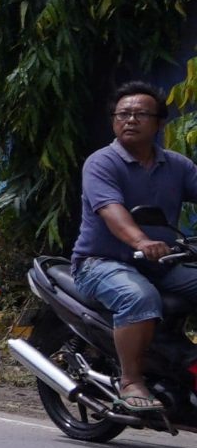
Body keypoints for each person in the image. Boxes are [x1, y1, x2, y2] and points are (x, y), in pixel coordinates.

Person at [70, 79, 197, 416]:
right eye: (123, 114)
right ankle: (131, 381)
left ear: (158, 122)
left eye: (140, 114)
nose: (130, 120)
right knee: (138, 297)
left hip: (161, 263)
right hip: (101, 263)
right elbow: (112, 211)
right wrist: (142, 241)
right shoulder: (102, 163)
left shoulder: (177, 166)